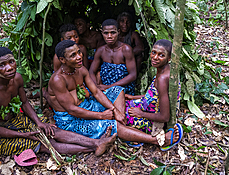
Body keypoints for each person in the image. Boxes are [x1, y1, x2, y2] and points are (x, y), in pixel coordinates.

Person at [0, 47, 115, 157]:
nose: (9, 68)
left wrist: (38, 122)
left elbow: (24, 103)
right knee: (44, 143)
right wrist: (23, 135)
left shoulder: (17, 79)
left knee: (52, 130)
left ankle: (97, 142)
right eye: (2, 65)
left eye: (11, 62)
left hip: (17, 120)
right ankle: (93, 146)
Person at [47, 40, 183, 150]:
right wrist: (102, 115)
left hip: (86, 106)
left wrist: (114, 110)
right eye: (73, 55)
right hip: (70, 119)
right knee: (111, 124)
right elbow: (72, 110)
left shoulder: (80, 69)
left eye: (78, 52)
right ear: (62, 60)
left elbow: (96, 92)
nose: (79, 57)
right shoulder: (58, 80)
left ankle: (123, 128)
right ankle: (156, 140)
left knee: (117, 90)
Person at [125, 39, 181, 134]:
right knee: (121, 102)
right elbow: (154, 96)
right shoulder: (165, 70)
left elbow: (165, 116)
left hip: (153, 122)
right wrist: (133, 97)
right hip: (148, 108)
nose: (155, 57)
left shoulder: (162, 79)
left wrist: (141, 114)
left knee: (119, 115)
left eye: (161, 55)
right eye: (154, 52)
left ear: (169, 58)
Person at [89, 19, 136, 96]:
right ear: (102, 33)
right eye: (106, 33)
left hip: (123, 89)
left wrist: (109, 87)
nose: (109, 36)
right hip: (104, 88)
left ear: (118, 32)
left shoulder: (126, 49)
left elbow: (132, 75)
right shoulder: (101, 50)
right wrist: (96, 87)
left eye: (113, 33)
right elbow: (91, 72)